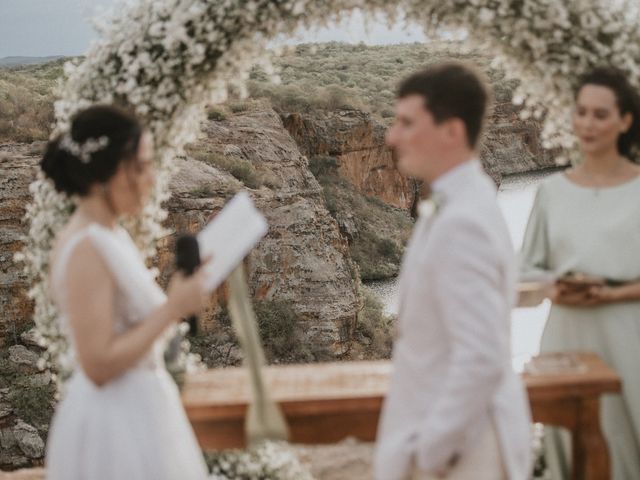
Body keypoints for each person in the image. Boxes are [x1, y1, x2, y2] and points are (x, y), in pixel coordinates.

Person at [373, 63, 532, 480]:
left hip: (462, 454)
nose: (391, 136)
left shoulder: (464, 222)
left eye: (407, 122)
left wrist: (430, 451)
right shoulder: (460, 202)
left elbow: (481, 356)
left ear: (452, 131)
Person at [42, 105, 211, 479]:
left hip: (143, 410)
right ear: (111, 171)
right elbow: (98, 364)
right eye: (142, 166)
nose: (151, 179)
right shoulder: (87, 245)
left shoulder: (110, 234)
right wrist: (172, 309)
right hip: (113, 429)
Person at [521, 66, 640, 479]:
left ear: (625, 121)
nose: (588, 124)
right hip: (566, 334)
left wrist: (613, 294)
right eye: (581, 112)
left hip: (629, 333)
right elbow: (526, 271)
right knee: (567, 452)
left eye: (600, 114)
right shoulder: (550, 194)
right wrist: (555, 287)